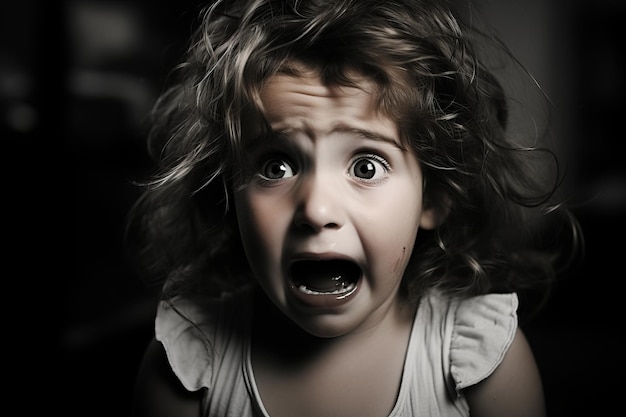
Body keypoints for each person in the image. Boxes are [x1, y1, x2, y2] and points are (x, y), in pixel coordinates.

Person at [128, 0, 581, 416]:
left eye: (366, 166)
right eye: (276, 165)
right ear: (228, 192)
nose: (316, 208)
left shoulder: (479, 365)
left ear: (435, 197)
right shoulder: (188, 367)